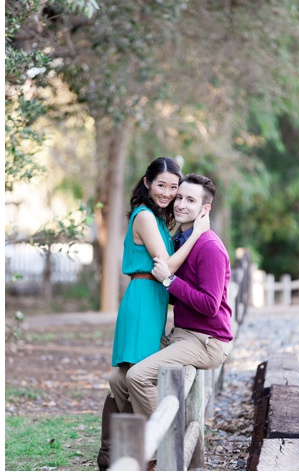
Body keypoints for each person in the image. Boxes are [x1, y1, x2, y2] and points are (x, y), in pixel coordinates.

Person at [99, 158, 209, 470]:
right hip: (143, 298)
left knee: (125, 376)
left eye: (174, 187)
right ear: (147, 183)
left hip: (152, 298)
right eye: (161, 185)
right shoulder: (145, 216)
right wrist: (199, 232)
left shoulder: (156, 218)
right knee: (138, 373)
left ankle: (115, 451)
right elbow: (167, 266)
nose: (168, 193)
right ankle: (152, 450)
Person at [110, 173, 232, 421]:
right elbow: (180, 294)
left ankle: (163, 446)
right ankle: (125, 444)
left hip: (206, 341)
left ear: (204, 209)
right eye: (179, 197)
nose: (180, 204)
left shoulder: (209, 247)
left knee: (138, 376)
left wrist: (169, 280)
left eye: (190, 200)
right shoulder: (179, 241)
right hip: (181, 334)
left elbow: (210, 305)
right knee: (119, 379)